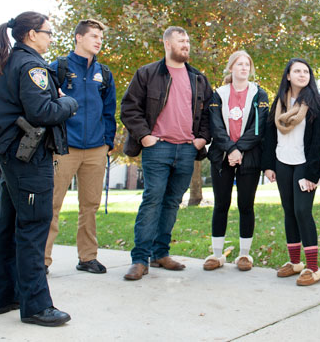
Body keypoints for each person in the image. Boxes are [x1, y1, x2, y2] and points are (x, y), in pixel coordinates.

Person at [0, 11, 78, 327]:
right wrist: (69, 103)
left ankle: (4, 296)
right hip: (29, 157)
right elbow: (41, 112)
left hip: (13, 156)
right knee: (34, 227)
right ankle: (36, 305)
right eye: (48, 32)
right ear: (32, 34)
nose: (51, 37)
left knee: (8, 224)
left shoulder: (17, 62)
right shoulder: (32, 65)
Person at [120, 26, 213, 281]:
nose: (186, 44)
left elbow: (208, 114)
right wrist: (146, 136)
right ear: (167, 44)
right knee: (153, 200)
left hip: (186, 150)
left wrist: (202, 139)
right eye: (180, 40)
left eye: (187, 40)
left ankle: (160, 253)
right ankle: (140, 259)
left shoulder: (198, 78)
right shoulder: (147, 73)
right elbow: (129, 108)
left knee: (172, 202)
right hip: (157, 148)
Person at [44, 19, 116, 275]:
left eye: (100, 37)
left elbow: (109, 112)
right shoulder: (58, 68)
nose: (98, 41)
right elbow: (46, 105)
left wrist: (108, 142)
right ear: (78, 37)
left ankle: (87, 257)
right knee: (51, 204)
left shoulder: (104, 74)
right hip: (64, 147)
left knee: (90, 206)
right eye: (93, 36)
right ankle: (42, 260)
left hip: (96, 148)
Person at [262, 58, 320, 286]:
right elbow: (270, 133)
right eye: (297, 71)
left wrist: (312, 173)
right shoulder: (279, 102)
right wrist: (269, 165)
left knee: (302, 211)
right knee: (289, 211)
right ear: (288, 76)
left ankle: (313, 268)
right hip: (282, 161)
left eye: (306, 71)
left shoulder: (316, 102)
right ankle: (295, 263)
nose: (302, 75)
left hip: (305, 163)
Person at [205, 51, 269, 271]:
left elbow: (258, 129)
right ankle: (216, 254)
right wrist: (230, 149)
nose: (243, 68)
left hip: (249, 157)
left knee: (245, 205)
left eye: (247, 65)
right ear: (231, 68)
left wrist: (239, 149)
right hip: (222, 156)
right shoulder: (218, 94)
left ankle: (244, 255)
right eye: (239, 64)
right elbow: (215, 126)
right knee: (221, 204)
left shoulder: (259, 94)